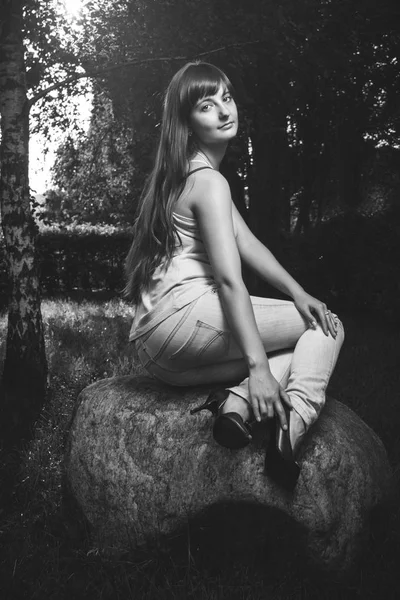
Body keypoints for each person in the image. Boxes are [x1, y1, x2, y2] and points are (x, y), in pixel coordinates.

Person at [125, 61, 344, 489]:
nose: (225, 111)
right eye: (208, 106)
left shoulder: (182, 175)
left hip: (158, 353)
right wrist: (257, 367)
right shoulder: (209, 182)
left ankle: (236, 403)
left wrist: (298, 293)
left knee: (296, 345)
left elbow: (249, 244)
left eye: (227, 97)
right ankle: (293, 423)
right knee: (328, 328)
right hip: (186, 320)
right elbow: (229, 280)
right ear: (187, 124)